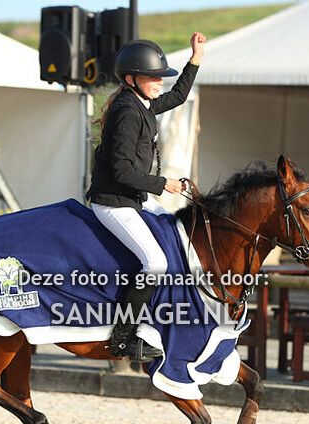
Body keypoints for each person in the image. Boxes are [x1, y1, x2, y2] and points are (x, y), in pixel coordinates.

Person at [86, 32, 206, 362]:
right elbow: (122, 172)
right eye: (152, 77)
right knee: (156, 262)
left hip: (132, 199)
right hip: (112, 202)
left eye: (159, 77)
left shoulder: (143, 102)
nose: (158, 82)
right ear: (131, 79)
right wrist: (162, 183)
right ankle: (123, 338)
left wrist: (195, 58)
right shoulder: (127, 112)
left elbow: (180, 95)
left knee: (175, 235)